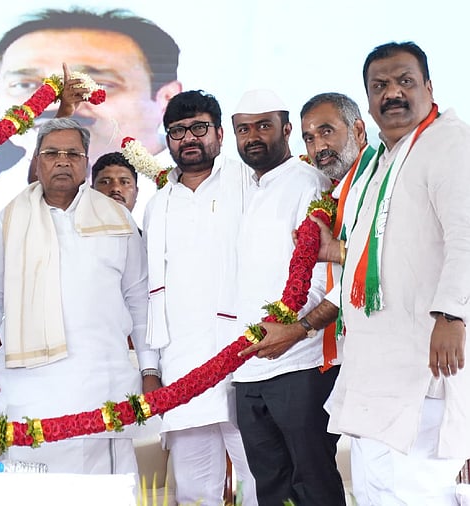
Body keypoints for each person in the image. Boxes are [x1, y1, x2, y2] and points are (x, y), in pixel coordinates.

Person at [322, 42, 470, 504]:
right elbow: (395, 250)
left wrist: (451, 315)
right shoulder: (387, 156)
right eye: (379, 85)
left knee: (415, 490)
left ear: (428, 86)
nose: (393, 93)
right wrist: (339, 253)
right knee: (374, 491)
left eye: (405, 81)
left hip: (422, 358)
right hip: (376, 367)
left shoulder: (449, 142)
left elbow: (465, 235)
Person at [0, 118, 160, 474]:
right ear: (37, 162)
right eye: (52, 153)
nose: (62, 160)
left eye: (73, 153)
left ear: (86, 163)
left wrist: (149, 368)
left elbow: (139, 298)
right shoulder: (9, 218)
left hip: (101, 384)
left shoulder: (117, 219)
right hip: (28, 387)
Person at [0, 8, 183, 228]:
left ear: (167, 98)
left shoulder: (191, 184)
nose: (57, 102)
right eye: (25, 85)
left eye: (97, 83)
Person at [230, 89, 345, 505]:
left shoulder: (309, 182)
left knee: (312, 483)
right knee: (271, 486)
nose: (253, 136)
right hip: (249, 369)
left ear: (287, 130)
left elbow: (319, 268)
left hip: (300, 362)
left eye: (264, 125)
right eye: (244, 129)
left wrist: (293, 331)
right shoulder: (245, 188)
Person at [143, 90, 256, 505]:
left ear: (220, 134)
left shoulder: (248, 183)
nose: (188, 137)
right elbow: (149, 292)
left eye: (198, 128)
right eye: (177, 131)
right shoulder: (157, 206)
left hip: (247, 361)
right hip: (182, 366)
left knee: (260, 478)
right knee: (192, 489)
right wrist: (151, 368)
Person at [244, 93, 375, 374]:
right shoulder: (345, 190)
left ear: (359, 130)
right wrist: (338, 252)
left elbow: (377, 267)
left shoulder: (375, 183)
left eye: (326, 132)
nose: (319, 147)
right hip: (362, 351)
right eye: (310, 138)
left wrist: (299, 329)